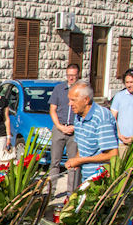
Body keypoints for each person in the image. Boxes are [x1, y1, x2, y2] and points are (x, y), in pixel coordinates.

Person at [65, 82, 118, 182]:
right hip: (86, 175)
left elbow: (112, 154)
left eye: (73, 100)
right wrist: (76, 160)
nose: (69, 104)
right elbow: (82, 147)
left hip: (101, 177)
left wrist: (80, 160)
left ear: (86, 100)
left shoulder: (101, 117)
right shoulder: (78, 116)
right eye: (69, 100)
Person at [48, 64, 82, 195]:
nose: (71, 78)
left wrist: (75, 126)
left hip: (75, 130)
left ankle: (71, 193)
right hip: (59, 128)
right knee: (54, 162)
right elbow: (52, 110)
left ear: (78, 75)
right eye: (69, 75)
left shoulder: (82, 89)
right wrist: (59, 126)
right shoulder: (58, 89)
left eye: (73, 75)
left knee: (73, 163)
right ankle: (50, 192)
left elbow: (86, 111)